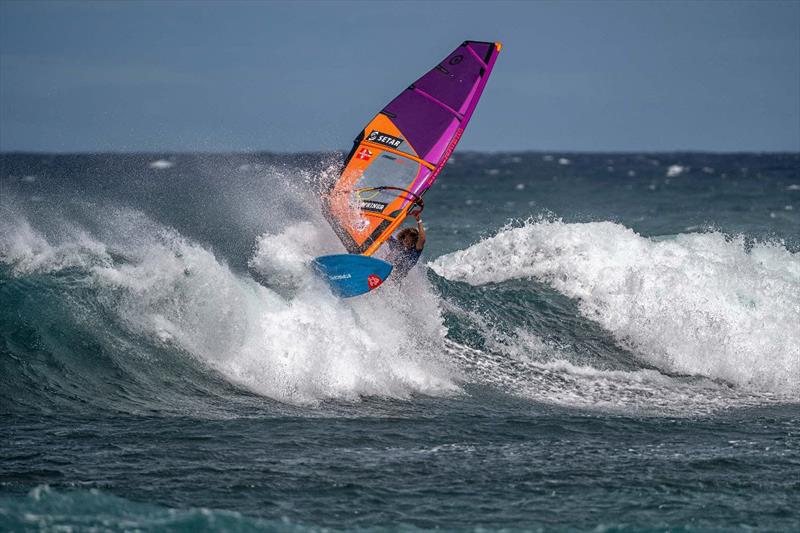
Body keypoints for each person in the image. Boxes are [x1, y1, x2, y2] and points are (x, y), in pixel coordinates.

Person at [385, 213, 426, 280]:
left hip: (395, 279)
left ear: (414, 241)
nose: (406, 240)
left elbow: (423, 239)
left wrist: (419, 221)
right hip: (385, 271)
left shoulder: (415, 251)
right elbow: (385, 235)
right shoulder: (398, 245)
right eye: (406, 238)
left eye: (409, 239)